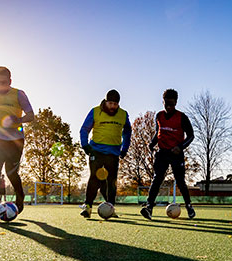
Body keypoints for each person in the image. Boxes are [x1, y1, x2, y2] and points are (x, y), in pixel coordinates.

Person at [0, 66, 35, 219]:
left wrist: (18, 120)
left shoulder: (19, 94)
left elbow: (31, 115)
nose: (1, 86)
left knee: (10, 172)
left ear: (10, 81)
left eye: (4, 82)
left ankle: (20, 197)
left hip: (15, 139)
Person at [140, 89, 196, 220]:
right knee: (157, 178)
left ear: (176, 102)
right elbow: (158, 132)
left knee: (181, 181)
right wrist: (152, 143)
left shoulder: (182, 117)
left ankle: (189, 206)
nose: (169, 106)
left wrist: (180, 147)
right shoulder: (159, 116)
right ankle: (149, 207)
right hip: (162, 152)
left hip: (176, 153)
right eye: (166, 104)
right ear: (163, 102)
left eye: (172, 104)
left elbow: (191, 135)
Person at [79, 89, 132, 218]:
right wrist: (85, 145)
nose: (113, 106)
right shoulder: (95, 111)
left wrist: (124, 148)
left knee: (111, 181)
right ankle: (88, 207)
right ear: (106, 101)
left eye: (115, 104)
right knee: (94, 178)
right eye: (110, 103)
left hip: (113, 153)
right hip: (96, 150)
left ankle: (110, 208)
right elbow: (84, 129)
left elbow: (127, 132)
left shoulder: (123, 114)